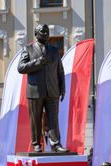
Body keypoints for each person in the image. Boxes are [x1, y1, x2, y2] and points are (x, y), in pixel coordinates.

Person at [17, 23, 67, 153]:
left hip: (53, 90)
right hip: (35, 91)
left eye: (47, 31)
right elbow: (21, 68)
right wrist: (37, 62)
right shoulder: (28, 49)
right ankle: (36, 144)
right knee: (36, 119)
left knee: (53, 119)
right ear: (36, 34)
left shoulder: (54, 50)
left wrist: (62, 88)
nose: (45, 34)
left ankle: (56, 144)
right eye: (42, 31)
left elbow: (60, 71)